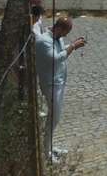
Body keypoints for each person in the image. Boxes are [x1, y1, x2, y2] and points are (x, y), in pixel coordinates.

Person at [34, 13, 87, 163]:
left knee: (54, 118)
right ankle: (46, 153)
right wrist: (73, 47)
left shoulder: (57, 38)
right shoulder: (44, 41)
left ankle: (49, 147)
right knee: (53, 118)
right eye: (66, 33)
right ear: (60, 29)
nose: (66, 35)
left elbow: (59, 51)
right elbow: (55, 59)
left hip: (58, 82)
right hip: (50, 85)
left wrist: (72, 44)